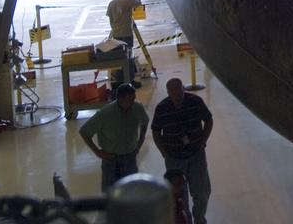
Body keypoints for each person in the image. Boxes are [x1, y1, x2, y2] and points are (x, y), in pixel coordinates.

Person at [152, 77, 213, 224]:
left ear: (183, 89)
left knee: (201, 192)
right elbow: (155, 131)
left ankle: (199, 220)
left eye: (179, 93)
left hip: (196, 155)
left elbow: (209, 120)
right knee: (178, 195)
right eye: (172, 93)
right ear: (168, 93)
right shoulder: (162, 108)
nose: (176, 96)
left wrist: (203, 141)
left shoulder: (195, 102)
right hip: (174, 158)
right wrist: (164, 153)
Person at [78, 82, 150, 192]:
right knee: (110, 193)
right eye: (129, 100)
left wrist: (140, 141)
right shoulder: (105, 114)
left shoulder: (137, 108)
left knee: (131, 191)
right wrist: (98, 152)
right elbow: (84, 132)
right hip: (111, 160)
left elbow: (145, 121)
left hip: (130, 157)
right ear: (120, 99)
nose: (132, 103)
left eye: (133, 99)